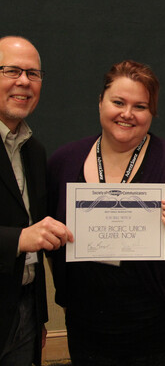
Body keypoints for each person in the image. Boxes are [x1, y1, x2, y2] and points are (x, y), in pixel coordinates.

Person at [48, 59, 165, 366]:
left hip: (163, 329)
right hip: (88, 326)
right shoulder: (64, 162)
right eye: (118, 102)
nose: (127, 114)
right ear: (100, 102)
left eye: (140, 106)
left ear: (152, 112)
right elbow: (48, 234)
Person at [0, 36, 73, 366]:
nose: (24, 81)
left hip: (24, 312)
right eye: (12, 71)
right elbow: (27, 236)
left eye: (33, 73)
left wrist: (39, 316)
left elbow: (38, 236)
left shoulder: (34, 150)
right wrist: (18, 239)